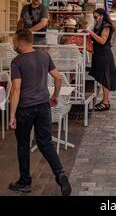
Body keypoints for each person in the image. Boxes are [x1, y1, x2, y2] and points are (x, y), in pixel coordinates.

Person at [9, 30, 72, 195]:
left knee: (23, 145)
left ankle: (25, 182)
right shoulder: (44, 56)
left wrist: (12, 115)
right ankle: (60, 174)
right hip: (43, 106)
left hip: (25, 109)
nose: (14, 44)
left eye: (15, 41)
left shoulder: (17, 61)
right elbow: (58, 78)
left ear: (20, 42)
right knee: (45, 143)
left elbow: (16, 89)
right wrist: (55, 96)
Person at [88, 9, 116, 112]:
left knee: (105, 78)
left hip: (104, 54)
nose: (94, 19)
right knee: (102, 78)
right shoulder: (98, 25)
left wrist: (90, 33)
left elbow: (102, 41)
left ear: (102, 16)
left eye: (96, 17)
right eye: (93, 17)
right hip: (98, 54)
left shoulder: (106, 26)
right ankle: (104, 100)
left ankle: (106, 102)